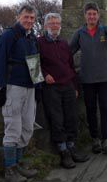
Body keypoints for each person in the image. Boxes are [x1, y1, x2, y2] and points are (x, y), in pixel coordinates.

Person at [70, 2, 107, 155]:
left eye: (94, 14)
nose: (91, 16)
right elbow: (69, 51)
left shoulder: (105, 30)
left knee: (105, 108)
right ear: (85, 16)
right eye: (89, 14)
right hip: (87, 78)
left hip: (104, 77)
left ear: (98, 15)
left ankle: (106, 140)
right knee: (90, 109)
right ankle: (95, 139)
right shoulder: (79, 33)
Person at [38, 13, 89, 169]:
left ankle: (72, 147)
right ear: (46, 26)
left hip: (67, 85)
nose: (54, 26)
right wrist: (45, 75)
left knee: (71, 118)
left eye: (57, 23)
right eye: (51, 23)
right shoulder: (39, 42)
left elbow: (70, 66)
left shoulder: (64, 43)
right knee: (57, 119)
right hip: (51, 87)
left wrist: (74, 86)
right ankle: (63, 152)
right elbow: (35, 63)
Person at [0, 4, 39, 182]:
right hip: (14, 86)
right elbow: (0, 61)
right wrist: (1, 87)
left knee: (27, 126)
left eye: (32, 18)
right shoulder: (9, 35)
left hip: (30, 87)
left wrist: (39, 87)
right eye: (26, 17)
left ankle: (18, 164)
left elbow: (35, 63)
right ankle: (10, 169)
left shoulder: (32, 38)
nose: (29, 20)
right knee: (13, 126)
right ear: (18, 17)